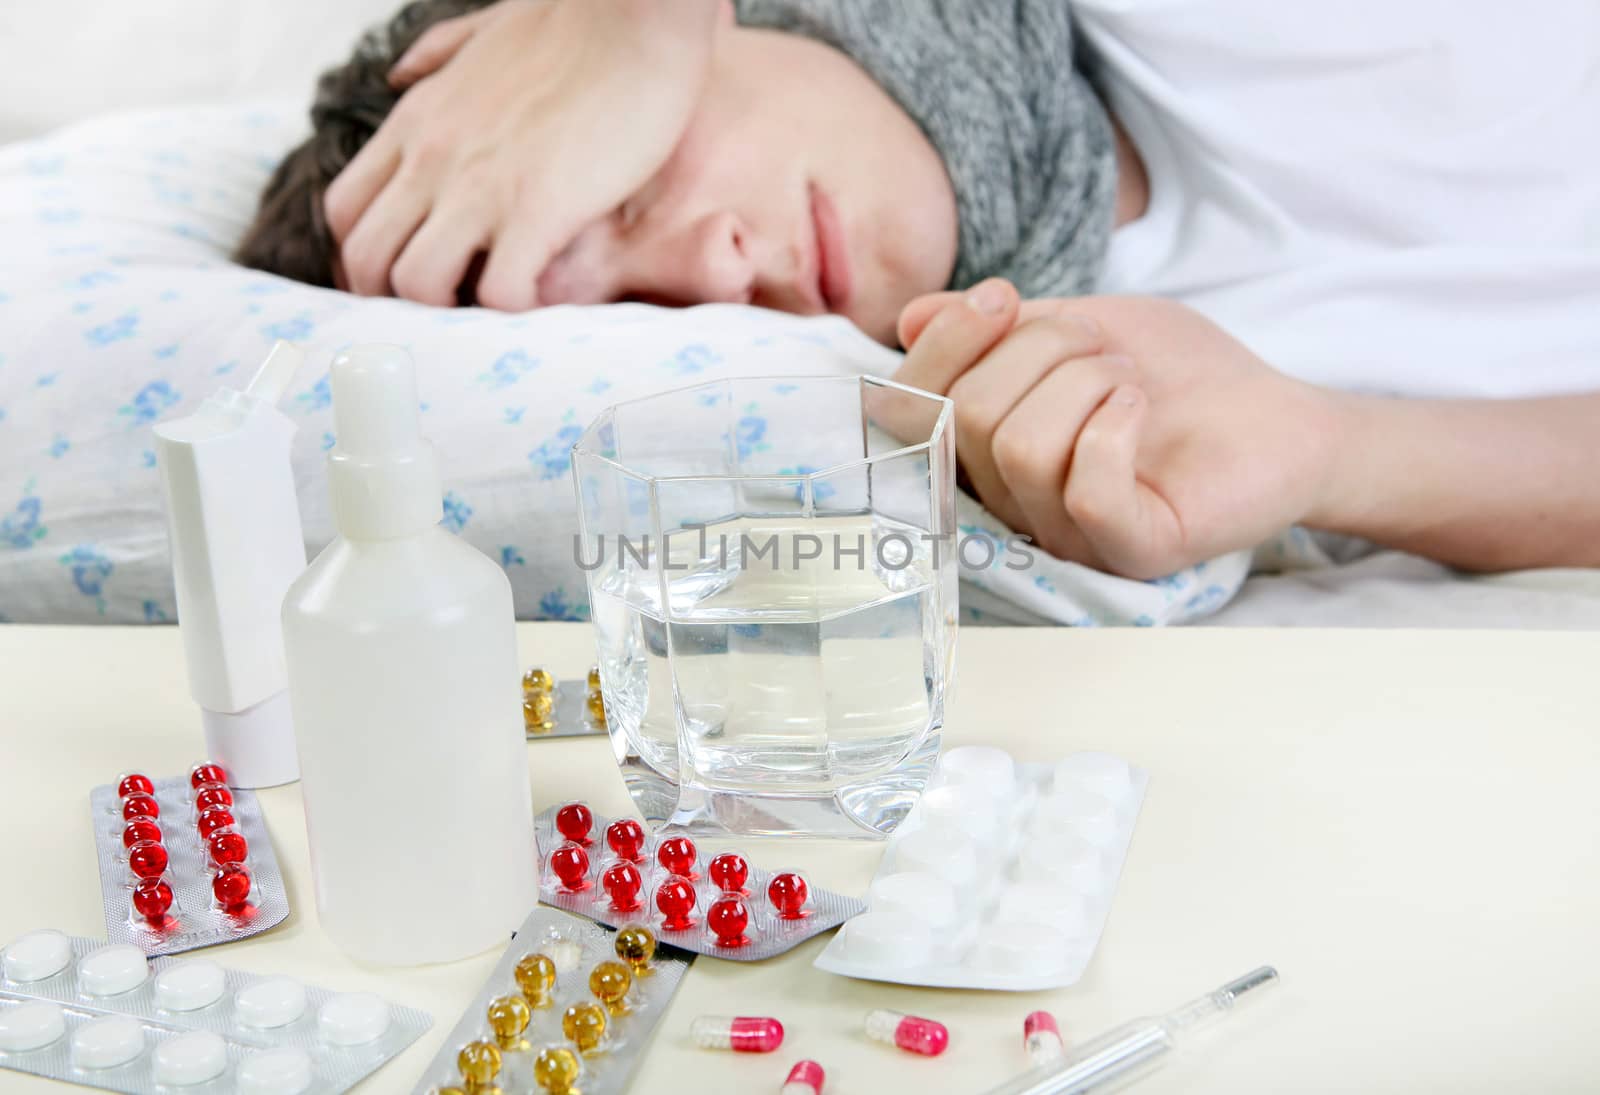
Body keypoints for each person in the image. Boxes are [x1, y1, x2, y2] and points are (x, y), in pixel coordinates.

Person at [238, 0, 1600, 582]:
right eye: (656, 322)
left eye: (631, 185)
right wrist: (1344, 454)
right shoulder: (1155, 393)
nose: (724, 271)